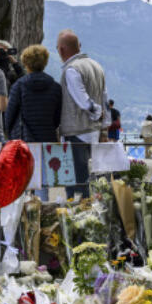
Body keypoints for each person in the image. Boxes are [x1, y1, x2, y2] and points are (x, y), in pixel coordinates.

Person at [56, 29, 108, 197]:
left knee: (76, 181)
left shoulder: (71, 69)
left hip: (76, 131)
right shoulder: (97, 66)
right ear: (79, 46)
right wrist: (104, 126)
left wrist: (96, 111)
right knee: (88, 177)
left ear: (62, 50)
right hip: (94, 131)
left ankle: (78, 214)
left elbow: (84, 101)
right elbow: (105, 97)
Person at [4, 44, 62, 143]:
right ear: (45, 62)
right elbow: (57, 119)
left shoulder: (18, 86)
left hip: (23, 140)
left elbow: (9, 117)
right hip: (47, 138)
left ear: (25, 63)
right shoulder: (56, 87)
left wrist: (11, 134)